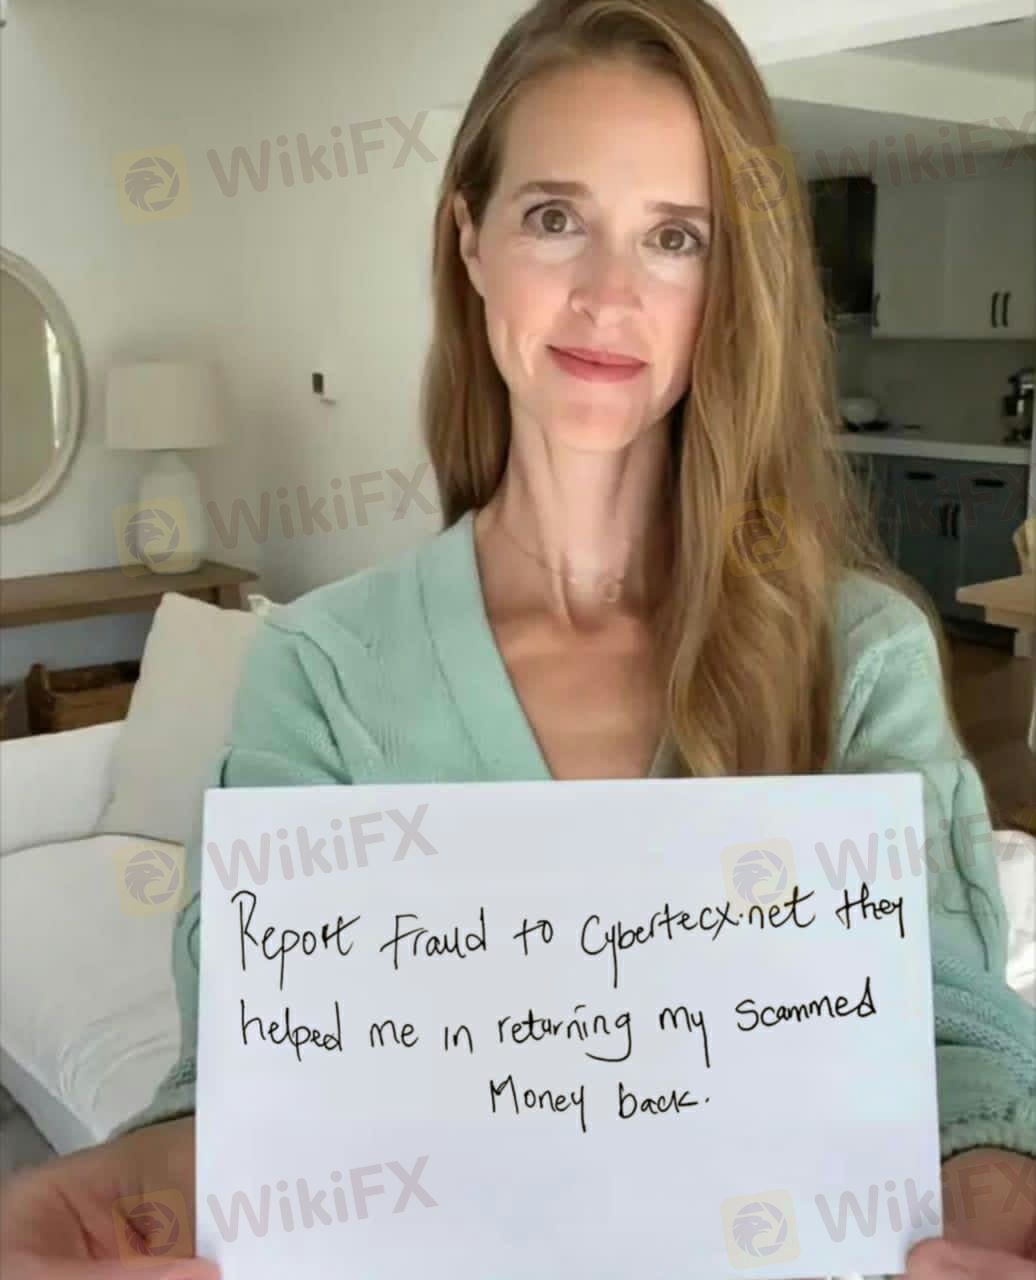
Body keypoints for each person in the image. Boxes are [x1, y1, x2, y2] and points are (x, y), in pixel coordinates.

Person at [3, 0, 1034, 1275]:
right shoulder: (322, 672)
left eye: (674, 237)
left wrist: (999, 1188)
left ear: (729, 286)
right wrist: (122, 1198)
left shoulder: (860, 652)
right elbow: (256, 1076)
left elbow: (955, 1041)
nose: (608, 294)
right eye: (555, 217)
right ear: (470, 243)